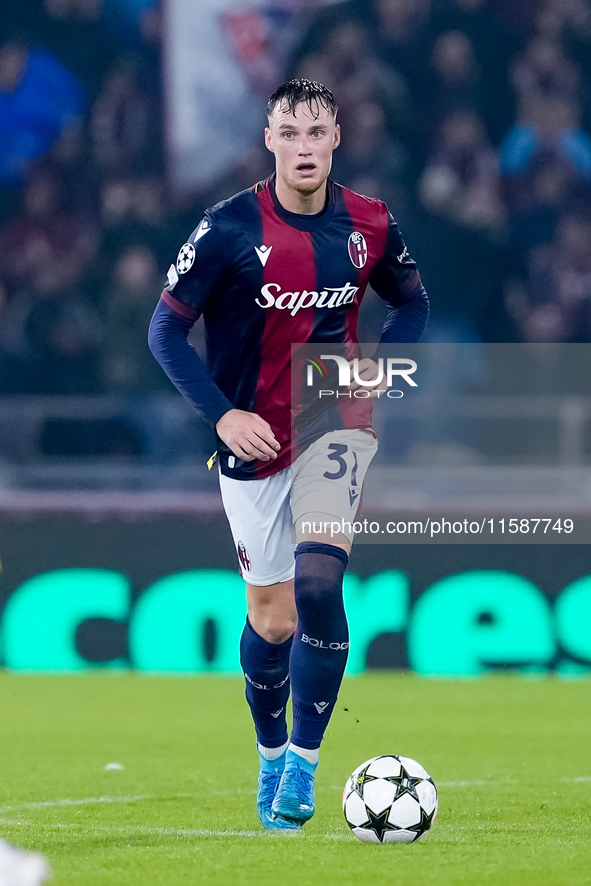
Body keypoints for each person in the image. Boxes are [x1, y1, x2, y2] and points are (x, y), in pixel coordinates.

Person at [148, 79, 429, 830]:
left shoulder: (369, 222)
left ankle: (303, 766)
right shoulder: (226, 229)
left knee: (316, 585)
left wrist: (383, 367)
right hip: (251, 437)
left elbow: (412, 301)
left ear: (337, 138)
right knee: (270, 620)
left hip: (334, 420)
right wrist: (223, 415)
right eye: (289, 133)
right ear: (268, 141)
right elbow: (165, 334)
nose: (304, 147)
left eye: (317, 133)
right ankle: (271, 750)